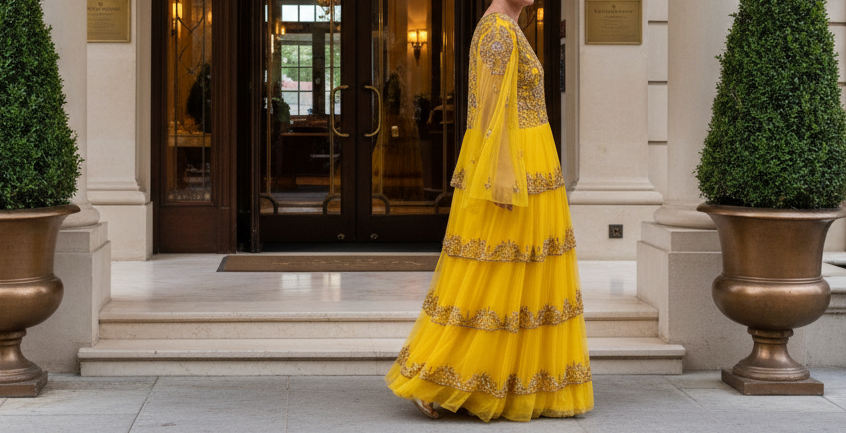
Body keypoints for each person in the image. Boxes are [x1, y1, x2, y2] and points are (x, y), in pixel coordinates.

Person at [384, 0, 594, 422]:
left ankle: (513, 382)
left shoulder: (508, 26)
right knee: (494, 276)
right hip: (515, 169)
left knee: (522, 276)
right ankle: (439, 378)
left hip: (531, 165)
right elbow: (490, 113)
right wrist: (500, 178)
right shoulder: (498, 31)